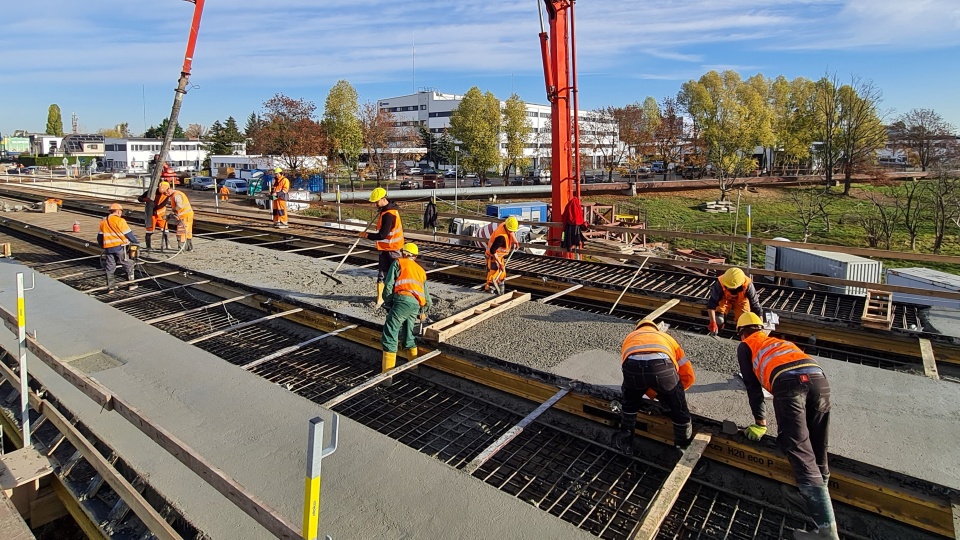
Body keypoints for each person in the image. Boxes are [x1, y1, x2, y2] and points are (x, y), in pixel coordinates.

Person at [735, 312, 838, 539]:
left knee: (799, 448)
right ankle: (818, 496)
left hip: (788, 384)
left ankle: (825, 531)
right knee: (818, 443)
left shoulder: (745, 346)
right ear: (761, 328)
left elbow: (753, 388)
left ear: (742, 332)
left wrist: (760, 423)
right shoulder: (780, 341)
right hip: (819, 379)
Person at [613, 319, 695, 455]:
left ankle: (625, 444)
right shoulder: (666, 337)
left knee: (629, 404)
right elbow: (686, 372)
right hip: (662, 367)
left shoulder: (630, 337)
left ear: (638, 328)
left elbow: (630, 368)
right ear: (656, 329)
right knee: (680, 412)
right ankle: (683, 449)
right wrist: (674, 396)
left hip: (632, 368)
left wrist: (648, 392)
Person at [380, 243, 431, 378]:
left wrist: (389, 301)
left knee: (390, 334)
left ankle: (387, 375)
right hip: (415, 305)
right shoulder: (421, 271)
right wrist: (422, 311)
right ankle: (414, 366)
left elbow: (388, 285)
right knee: (408, 335)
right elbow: (427, 298)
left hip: (402, 300)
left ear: (404, 253)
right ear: (415, 256)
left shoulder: (398, 263)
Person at [359, 187, 404, 308]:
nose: (375, 204)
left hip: (393, 249)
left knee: (396, 275)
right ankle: (380, 298)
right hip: (385, 248)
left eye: (377, 201)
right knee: (382, 274)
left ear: (383, 199)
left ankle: (397, 297)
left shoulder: (389, 214)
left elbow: (382, 234)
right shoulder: (385, 211)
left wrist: (367, 235)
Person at [97, 203, 140, 292]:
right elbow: (128, 234)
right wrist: (136, 242)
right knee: (128, 263)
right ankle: (131, 284)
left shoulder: (103, 221)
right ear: (118, 211)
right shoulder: (120, 221)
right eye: (121, 211)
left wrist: (103, 246)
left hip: (108, 248)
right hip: (120, 247)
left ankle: (111, 287)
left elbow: (99, 237)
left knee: (110, 267)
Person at [706, 267, 763, 334]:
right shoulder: (720, 282)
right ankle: (720, 328)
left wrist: (760, 326)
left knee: (744, 322)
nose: (727, 288)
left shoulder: (748, 284)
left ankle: (741, 334)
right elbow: (711, 304)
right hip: (724, 300)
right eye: (727, 286)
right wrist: (713, 322)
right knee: (718, 320)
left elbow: (756, 307)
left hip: (741, 301)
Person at [485, 216, 519, 294]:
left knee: (502, 274)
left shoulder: (505, 224)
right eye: (511, 230)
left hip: (500, 256)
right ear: (507, 228)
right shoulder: (501, 237)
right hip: (493, 256)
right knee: (493, 274)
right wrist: (500, 264)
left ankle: (501, 290)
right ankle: (489, 291)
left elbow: (511, 232)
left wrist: (515, 241)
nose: (512, 232)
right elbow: (492, 250)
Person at [137, 181, 171, 252]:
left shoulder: (166, 194)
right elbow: (139, 198)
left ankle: (168, 245)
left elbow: (163, 204)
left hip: (161, 214)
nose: (164, 193)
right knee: (149, 230)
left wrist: (154, 207)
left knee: (165, 230)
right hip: (151, 215)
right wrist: (144, 199)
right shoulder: (151, 192)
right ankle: (148, 247)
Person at [161, 182, 194, 251]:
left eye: (165, 193)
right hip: (187, 215)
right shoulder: (174, 195)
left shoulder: (176, 195)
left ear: (168, 190)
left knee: (181, 233)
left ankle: (181, 249)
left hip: (184, 216)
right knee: (187, 232)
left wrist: (171, 213)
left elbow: (179, 205)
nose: (165, 195)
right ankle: (189, 248)